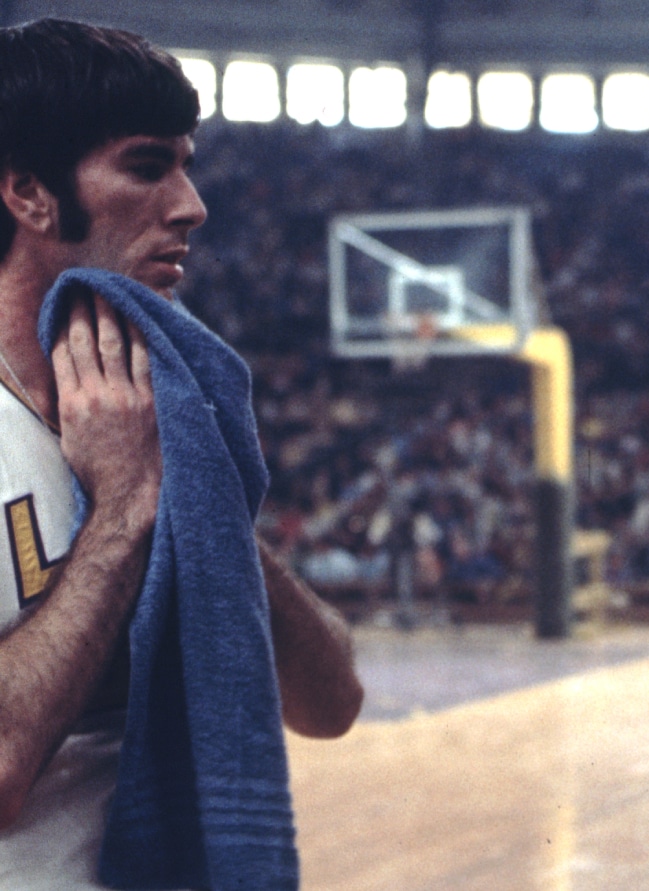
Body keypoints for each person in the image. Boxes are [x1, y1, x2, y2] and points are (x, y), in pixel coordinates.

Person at [0, 17, 363, 887]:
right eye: (147, 165)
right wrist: (126, 508)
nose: (191, 204)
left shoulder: (164, 410)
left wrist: (199, 497)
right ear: (30, 194)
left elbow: (330, 701)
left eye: (187, 164)